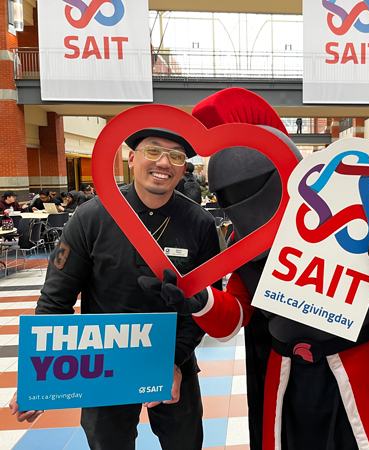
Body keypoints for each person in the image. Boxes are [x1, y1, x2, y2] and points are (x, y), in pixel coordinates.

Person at [139, 88, 369, 450]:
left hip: (356, 363)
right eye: (232, 194)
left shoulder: (338, 214)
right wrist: (201, 300)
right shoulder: (241, 244)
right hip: (287, 374)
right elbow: (237, 315)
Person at [10, 128, 222, 450]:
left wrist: (175, 363)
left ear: (182, 168)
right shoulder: (92, 216)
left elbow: (204, 307)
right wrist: (37, 378)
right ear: (132, 158)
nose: (163, 162)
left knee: (184, 443)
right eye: (153, 151)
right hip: (103, 363)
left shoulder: (199, 223)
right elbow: (57, 298)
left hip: (171, 359)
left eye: (176, 156)